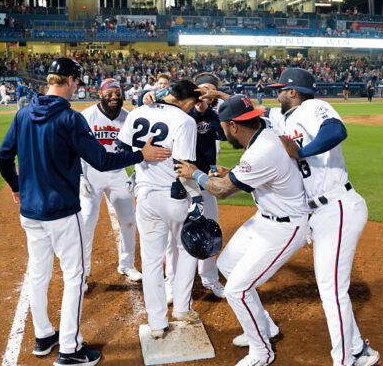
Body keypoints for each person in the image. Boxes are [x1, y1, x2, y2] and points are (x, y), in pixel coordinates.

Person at [0, 58, 171, 366]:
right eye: (77, 82)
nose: (78, 87)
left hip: (30, 211)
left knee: (39, 273)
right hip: (62, 211)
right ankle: (70, 349)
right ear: (71, 81)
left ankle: (43, 335)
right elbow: (102, 161)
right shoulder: (70, 118)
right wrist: (139, 154)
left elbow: (3, 156)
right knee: (74, 277)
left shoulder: (23, 113)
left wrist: (16, 186)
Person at [175, 94, 312, 366]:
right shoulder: (263, 134)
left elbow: (224, 191)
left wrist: (196, 174)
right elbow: (251, 174)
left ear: (233, 126)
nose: (222, 130)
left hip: (288, 227)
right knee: (227, 264)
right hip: (266, 219)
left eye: (223, 125)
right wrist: (231, 171)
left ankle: (262, 352)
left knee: (237, 289)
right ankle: (265, 327)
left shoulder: (262, 150)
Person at [269, 67, 381, 366]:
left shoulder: (311, 106)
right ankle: (357, 350)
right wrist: (217, 97)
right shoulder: (283, 117)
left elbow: (336, 130)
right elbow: (256, 115)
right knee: (329, 286)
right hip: (316, 212)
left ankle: (345, 360)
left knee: (332, 289)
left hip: (337, 206)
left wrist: (301, 152)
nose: (276, 93)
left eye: (281, 89)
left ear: (293, 91)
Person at [117, 79, 204, 339]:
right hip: (173, 195)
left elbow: (122, 148)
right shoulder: (185, 121)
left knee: (152, 260)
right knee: (187, 249)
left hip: (144, 195)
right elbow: (183, 165)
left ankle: (156, 324)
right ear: (187, 101)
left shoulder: (138, 112)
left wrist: (141, 160)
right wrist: (195, 197)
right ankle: (181, 308)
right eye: (193, 103)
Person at [164, 72, 228, 304]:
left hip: (204, 179)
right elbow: (154, 103)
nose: (205, 93)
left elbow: (229, 131)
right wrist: (147, 95)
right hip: (177, 179)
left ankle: (209, 277)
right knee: (173, 235)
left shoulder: (214, 116)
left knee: (210, 228)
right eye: (202, 89)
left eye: (210, 90)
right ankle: (172, 281)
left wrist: (215, 105)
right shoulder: (180, 112)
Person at [79, 78, 142, 285]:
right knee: (87, 221)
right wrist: (79, 175)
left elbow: (137, 148)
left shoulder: (130, 118)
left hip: (117, 172)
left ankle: (127, 264)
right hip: (92, 173)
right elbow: (74, 148)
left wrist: (136, 174)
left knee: (129, 219)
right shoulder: (87, 116)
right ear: (100, 95)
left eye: (117, 93)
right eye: (110, 93)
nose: (114, 97)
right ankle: (83, 272)